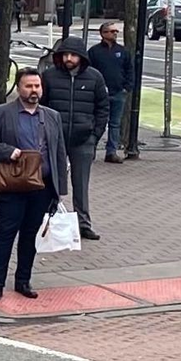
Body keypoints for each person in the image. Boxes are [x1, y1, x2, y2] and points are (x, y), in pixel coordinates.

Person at [0, 68, 71, 301]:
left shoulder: (51, 116)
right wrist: (8, 152)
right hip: (12, 185)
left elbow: (59, 152)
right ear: (19, 88)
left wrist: (60, 189)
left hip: (42, 187)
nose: (34, 91)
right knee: (6, 232)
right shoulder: (2, 113)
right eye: (29, 86)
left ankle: (23, 280)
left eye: (37, 86)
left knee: (30, 235)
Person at [40, 37, 108, 241]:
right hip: (54, 138)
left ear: (81, 57)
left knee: (81, 183)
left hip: (83, 137)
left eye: (73, 55)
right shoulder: (49, 76)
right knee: (50, 181)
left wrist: (94, 134)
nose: (68, 58)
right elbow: (41, 105)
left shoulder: (94, 78)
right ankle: (46, 221)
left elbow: (103, 108)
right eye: (65, 54)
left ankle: (83, 223)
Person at [86, 22, 134, 164]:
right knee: (96, 122)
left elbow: (129, 70)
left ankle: (111, 152)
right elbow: (88, 70)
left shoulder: (123, 51)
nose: (115, 33)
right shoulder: (94, 52)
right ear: (103, 33)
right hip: (100, 94)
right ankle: (91, 149)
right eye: (112, 31)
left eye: (116, 31)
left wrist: (127, 87)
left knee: (115, 123)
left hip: (118, 92)